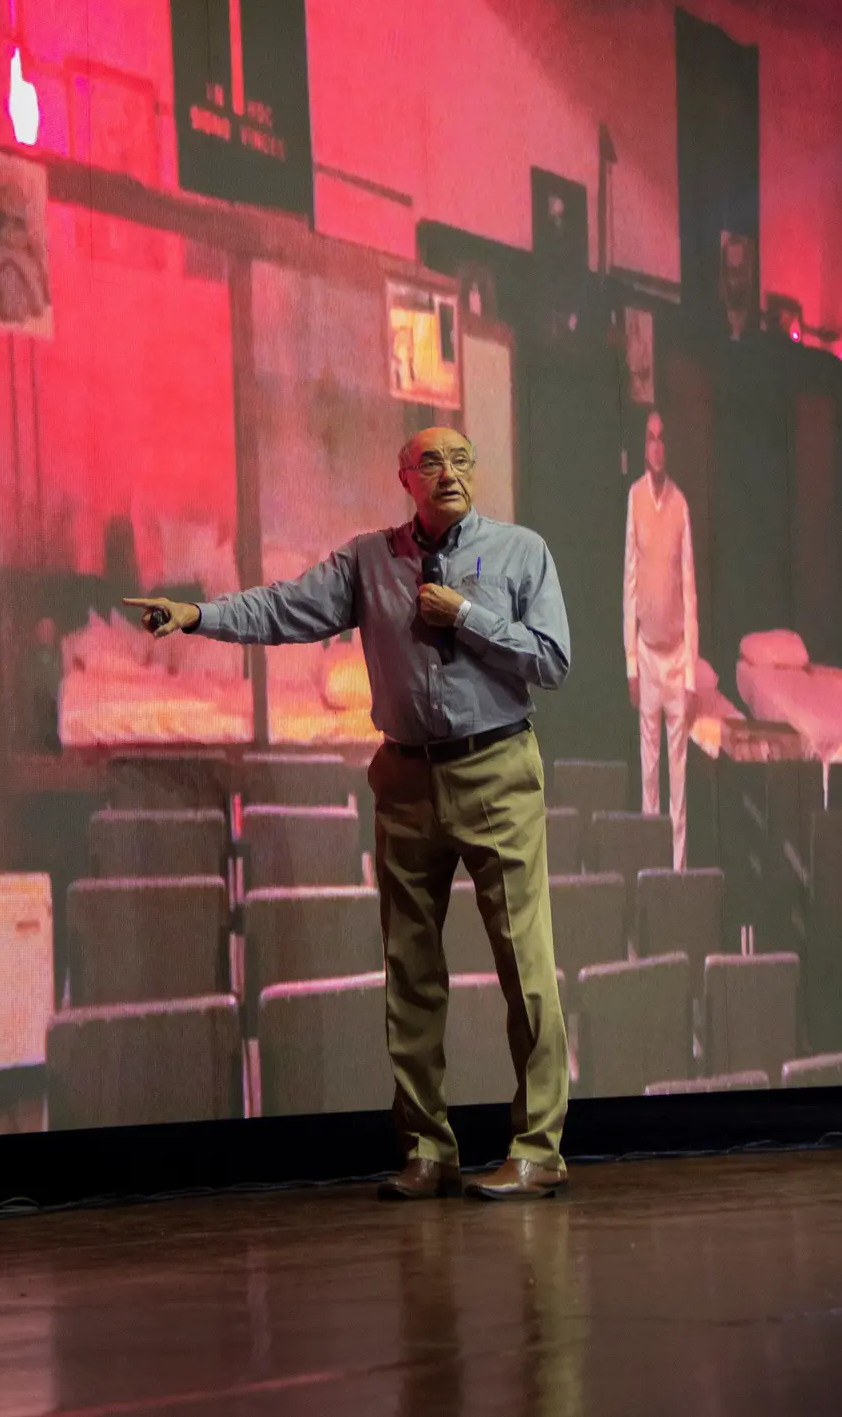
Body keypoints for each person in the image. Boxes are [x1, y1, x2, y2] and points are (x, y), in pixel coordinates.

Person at [126, 427, 572, 1202]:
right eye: (431, 461)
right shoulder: (369, 561)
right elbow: (285, 608)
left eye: (460, 459)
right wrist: (197, 616)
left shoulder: (521, 551)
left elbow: (553, 660)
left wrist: (467, 615)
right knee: (410, 972)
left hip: (497, 769)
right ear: (405, 478)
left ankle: (538, 1151)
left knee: (526, 968)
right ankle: (428, 1151)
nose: (449, 472)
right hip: (405, 779)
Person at [623, 411, 699, 871]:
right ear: (644, 445)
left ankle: (679, 871)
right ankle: (653, 870)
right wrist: (632, 665)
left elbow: (689, 591)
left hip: (676, 659)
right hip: (648, 657)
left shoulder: (681, 505)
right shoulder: (634, 499)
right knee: (648, 770)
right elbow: (629, 584)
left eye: (662, 439)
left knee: (679, 776)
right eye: (650, 438)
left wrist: (690, 675)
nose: (656, 446)